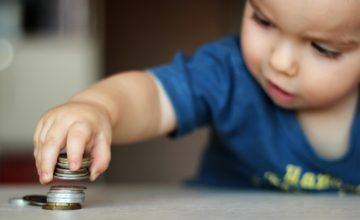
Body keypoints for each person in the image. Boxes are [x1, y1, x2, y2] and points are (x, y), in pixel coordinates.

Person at [33, 0, 360, 192]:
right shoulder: (228, 73)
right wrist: (98, 107)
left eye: (324, 48)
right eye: (263, 20)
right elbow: (155, 97)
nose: (280, 63)